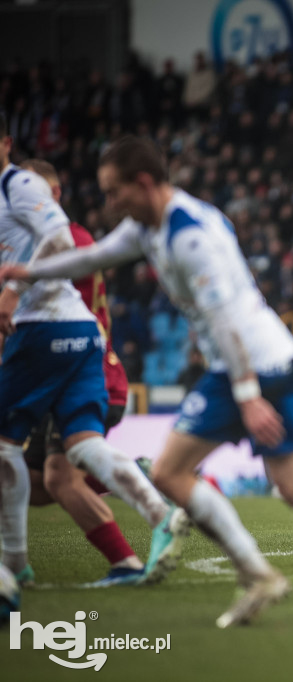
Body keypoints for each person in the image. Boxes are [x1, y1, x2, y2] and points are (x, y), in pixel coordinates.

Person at [0, 135, 293, 627]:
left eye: (114, 192)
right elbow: (92, 258)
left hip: (251, 366)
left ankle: (262, 576)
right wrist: (27, 272)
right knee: (289, 485)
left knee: (177, 474)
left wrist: (247, 397)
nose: (109, 203)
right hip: (266, 360)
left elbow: (223, 319)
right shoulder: (150, 226)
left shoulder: (189, 236)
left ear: (143, 183)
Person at [0, 117, 184, 589]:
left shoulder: (42, 215)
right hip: (84, 350)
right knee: (56, 475)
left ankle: (14, 567)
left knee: (44, 471)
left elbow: (57, 253)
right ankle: (153, 512)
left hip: (61, 349)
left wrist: (14, 289)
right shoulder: (43, 230)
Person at [19, 158, 144, 587]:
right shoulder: (49, 240)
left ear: (52, 196)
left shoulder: (65, 241)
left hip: (79, 372)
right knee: (34, 487)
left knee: (58, 477)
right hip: (71, 372)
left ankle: (128, 556)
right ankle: (147, 478)